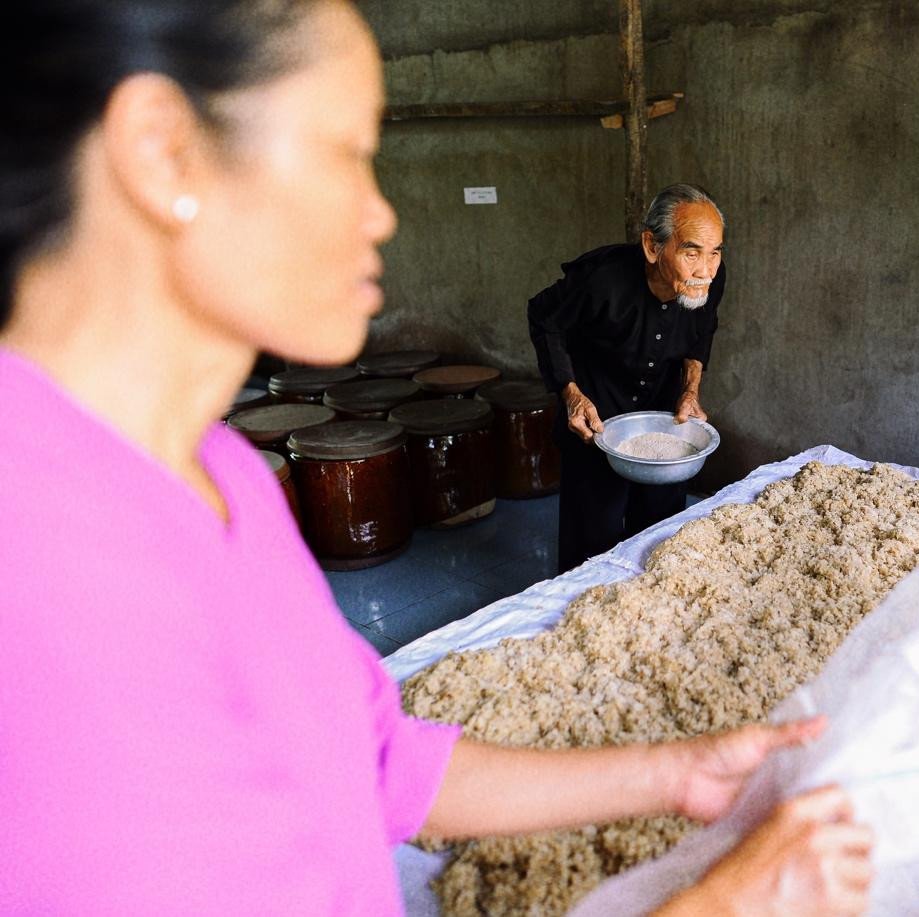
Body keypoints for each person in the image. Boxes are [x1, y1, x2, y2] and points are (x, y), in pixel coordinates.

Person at [0, 2, 871, 914]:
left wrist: (674, 771)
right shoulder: (44, 577)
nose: (381, 214)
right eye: (345, 153)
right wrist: (726, 900)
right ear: (159, 150)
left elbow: (371, 753)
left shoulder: (216, 469)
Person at [529, 184, 725, 572]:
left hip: (663, 417)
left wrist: (690, 391)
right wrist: (571, 394)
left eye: (715, 251)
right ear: (652, 247)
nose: (706, 269)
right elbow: (543, 317)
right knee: (591, 539)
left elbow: (703, 331)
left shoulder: (709, 276)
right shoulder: (601, 279)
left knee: (659, 532)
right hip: (596, 415)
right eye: (691, 251)